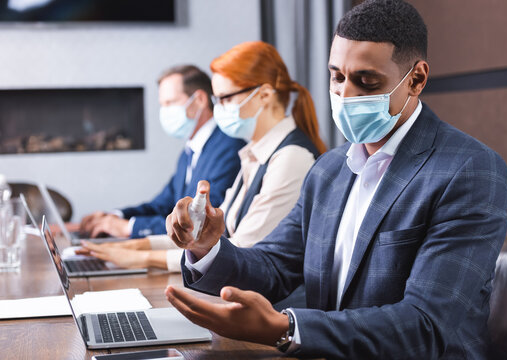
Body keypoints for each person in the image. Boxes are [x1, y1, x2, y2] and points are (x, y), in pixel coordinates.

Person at [163, 1, 507, 359]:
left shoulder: (470, 170)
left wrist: (288, 329)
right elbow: (275, 265)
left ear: (416, 79)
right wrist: (207, 248)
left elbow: (426, 324)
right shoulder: (329, 169)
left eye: (366, 81)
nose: (344, 94)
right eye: (337, 76)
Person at [78, 42, 326, 274]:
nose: (218, 108)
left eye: (226, 99)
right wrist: (134, 246)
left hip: (273, 303)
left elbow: (239, 248)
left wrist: (142, 258)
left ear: (264, 95)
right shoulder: (255, 153)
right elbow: (214, 234)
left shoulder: (290, 158)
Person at [79, 65, 245, 242]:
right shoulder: (190, 151)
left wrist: (128, 227)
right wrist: (114, 216)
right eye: (162, 105)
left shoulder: (229, 147)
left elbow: (200, 220)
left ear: (200, 100)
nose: (165, 112)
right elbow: (163, 205)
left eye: (170, 103)